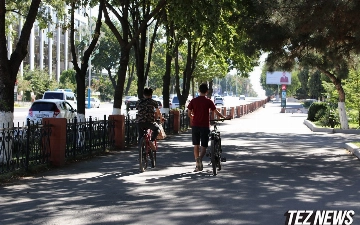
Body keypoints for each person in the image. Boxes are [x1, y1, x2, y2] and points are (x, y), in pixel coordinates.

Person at [187, 83, 229, 172]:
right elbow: (216, 112)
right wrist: (223, 117)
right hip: (205, 126)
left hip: (195, 125)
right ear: (207, 91)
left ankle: (197, 165)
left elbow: (189, 113)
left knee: (196, 145)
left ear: (199, 91)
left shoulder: (193, 101)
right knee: (204, 146)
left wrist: (193, 117)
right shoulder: (209, 101)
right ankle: (200, 159)